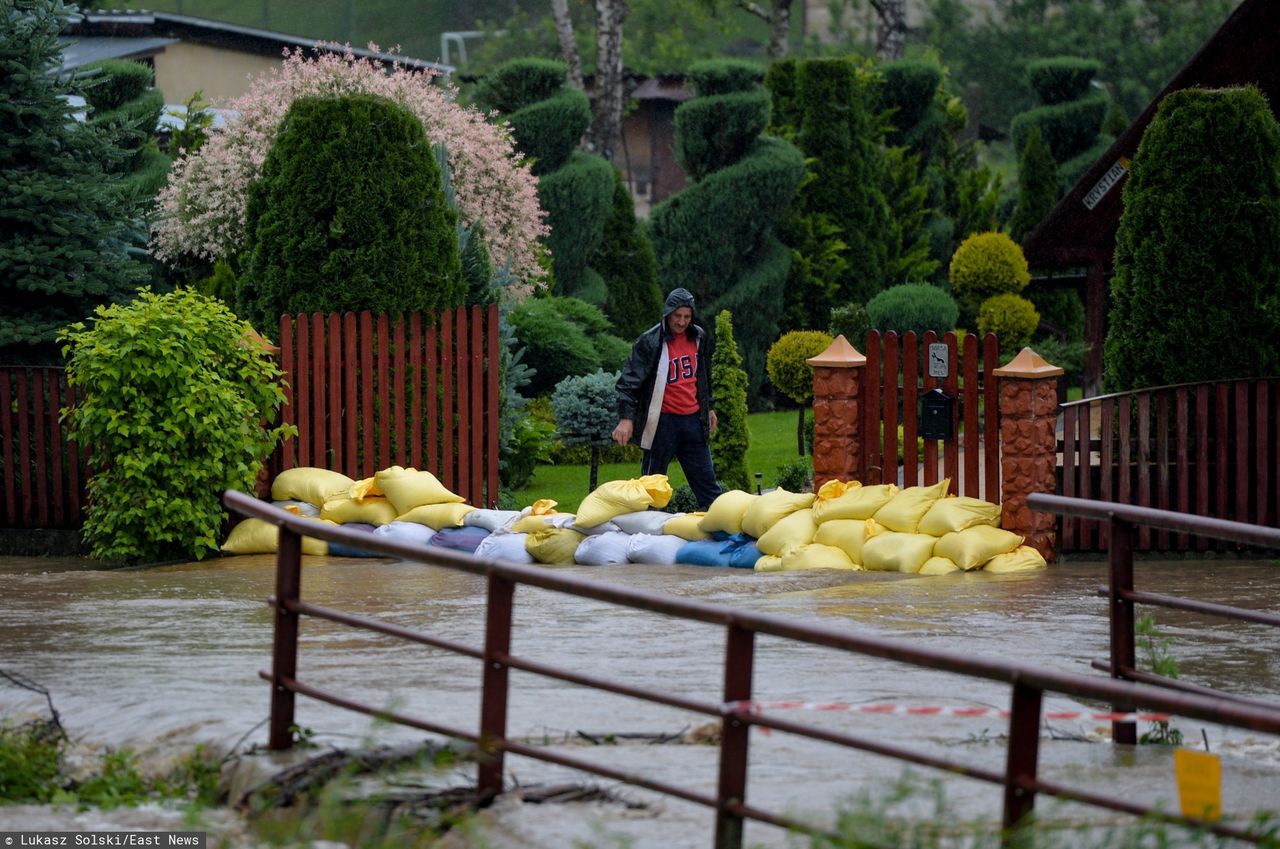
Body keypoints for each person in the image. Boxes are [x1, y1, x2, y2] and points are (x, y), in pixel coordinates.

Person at [612, 288, 722, 509]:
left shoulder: (699, 336)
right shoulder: (650, 341)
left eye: (687, 317)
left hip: (693, 422)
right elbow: (628, 382)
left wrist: (708, 407)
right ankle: (647, 539)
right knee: (652, 489)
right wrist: (626, 418)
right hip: (662, 423)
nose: (681, 322)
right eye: (677, 316)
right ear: (668, 313)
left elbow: (703, 376)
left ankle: (721, 535)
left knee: (709, 488)